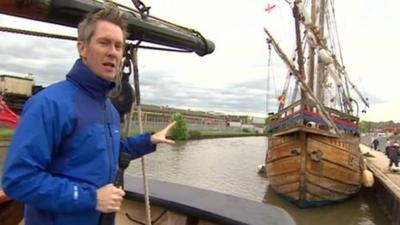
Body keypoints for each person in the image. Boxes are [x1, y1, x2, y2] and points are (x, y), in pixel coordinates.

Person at [1, 3, 175, 225]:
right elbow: (19, 180)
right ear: (82, 48)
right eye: (104, 43)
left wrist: (148, 141)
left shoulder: (109, 109)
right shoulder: (48, 104)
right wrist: (90, 198)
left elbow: (106, 151)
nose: (113, 52)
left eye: (118, 46)